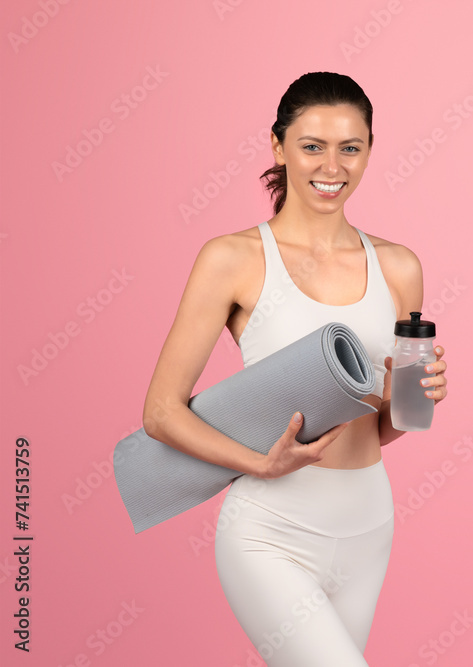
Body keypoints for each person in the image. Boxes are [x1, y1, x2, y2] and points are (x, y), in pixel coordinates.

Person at [141, 71, 448, 666]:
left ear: (369, 151)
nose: (331, 166)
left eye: (349, 147)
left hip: (368, 525)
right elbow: (160, 412)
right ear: (278, 147)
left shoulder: (398, 267)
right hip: (270, 530)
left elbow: (384, 426)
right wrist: (260, 463)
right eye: (312, 146)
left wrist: (416, 397)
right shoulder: (233, 259)